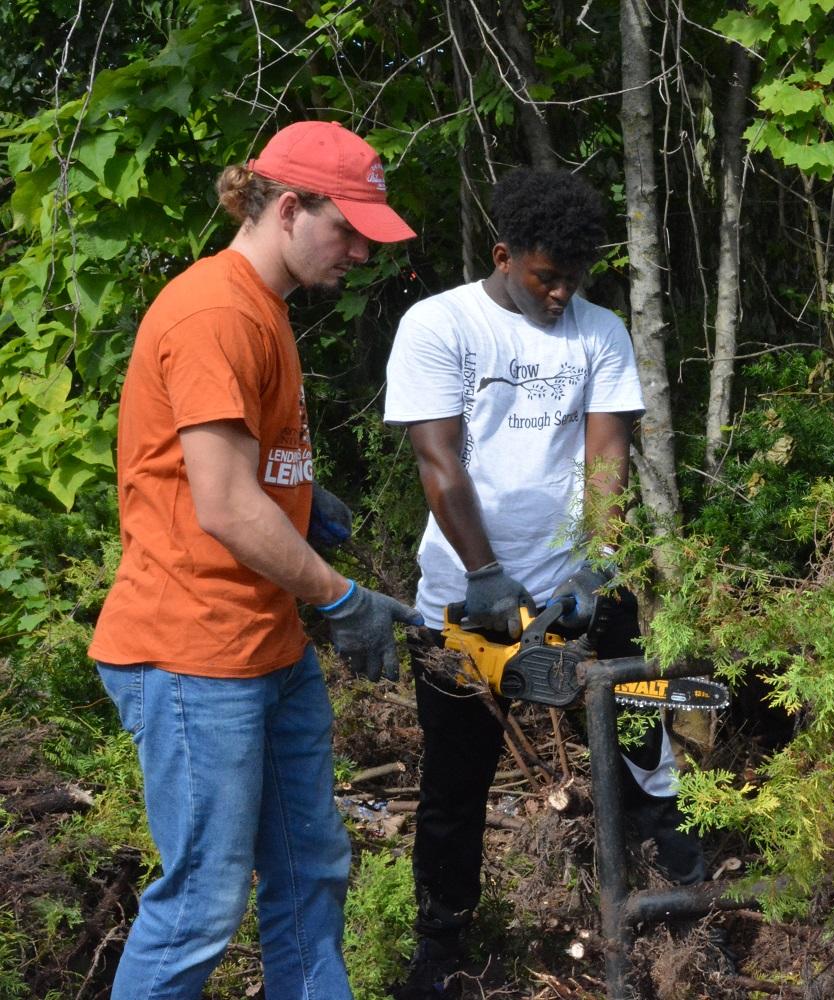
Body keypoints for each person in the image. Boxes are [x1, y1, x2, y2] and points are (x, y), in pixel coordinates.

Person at [88, 120, 424, 1000]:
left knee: (311, 868)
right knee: (203, 901)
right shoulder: (215, 312)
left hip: (264, 649)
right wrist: (343, 598)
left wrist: (305, 504)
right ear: (286, 208)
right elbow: (226, 506)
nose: (359, 251)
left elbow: (249, 476)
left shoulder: (260, 307)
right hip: (193, 653)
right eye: (346, 229)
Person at [384, 167, 705, 998]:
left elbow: (606, 453)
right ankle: (442, 948)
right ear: (503, 256)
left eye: (573, 279)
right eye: (544, 278)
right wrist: (485, 575)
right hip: (465, 599)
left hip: (577, 588)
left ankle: (677, 906)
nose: (560, 294)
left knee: (641, 734)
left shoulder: (598, 332)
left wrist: (601, 561)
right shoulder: (440, 325)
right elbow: (437, 457)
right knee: (457, 784)